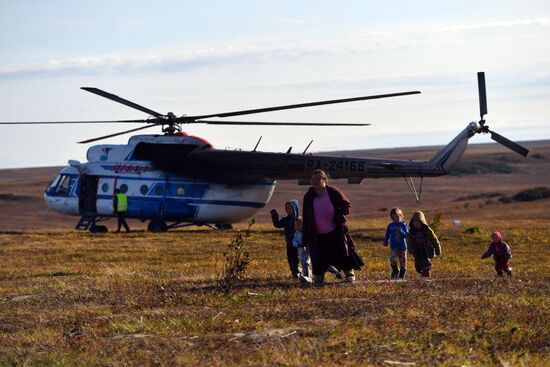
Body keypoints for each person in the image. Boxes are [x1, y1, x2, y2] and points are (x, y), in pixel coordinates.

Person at [302, 169, 363, 286]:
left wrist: (340, 216)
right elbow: (305, 216)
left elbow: (346, 205)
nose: (314, 181)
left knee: (343, 252)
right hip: (317, 233)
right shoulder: (309, 196)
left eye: (318, 179)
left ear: (324, 180)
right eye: (313, 179)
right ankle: (319, 278)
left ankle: (349, 274)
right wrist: (305, 235)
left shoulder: (333, 192)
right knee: (319, 256)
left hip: (335, 230)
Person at [271, 200, 300, 278]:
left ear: (295, 208)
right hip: (289, 243)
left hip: (298, 243)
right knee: (290, 258)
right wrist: (274, 216)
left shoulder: (299, 220)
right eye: (287, 208)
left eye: (291, 208)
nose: (289, 210)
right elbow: (277, 224)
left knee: (297, 258)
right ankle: (294, 272)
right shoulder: (285, 220)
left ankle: (297, 271)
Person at [408, 211, 440, 278]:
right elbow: (409, 241)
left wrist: (437, 249)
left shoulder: (427, 230)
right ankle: (423, 274)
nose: (416, 224)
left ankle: (426, 276)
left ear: (422, 222)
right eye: (414, 222)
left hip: (426, 249)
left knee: (426, 263)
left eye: (418, 222)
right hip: (417, 250)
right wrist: (411, 249)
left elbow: (434, 239)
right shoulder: (411, 231)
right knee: (418, 265)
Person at [383, 208, 409, 279]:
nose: (396, 219)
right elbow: (387, 234)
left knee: (403, 261)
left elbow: (407, 235)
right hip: (394, 246)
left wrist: (401, 231)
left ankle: (402, 274)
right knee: (392, 260)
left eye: (397, 217)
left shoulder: (403, 225)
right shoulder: (390, 225)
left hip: (402, 247)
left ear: (401, 216)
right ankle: (395, 270)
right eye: (393, 217)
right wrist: (386, 241)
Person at [292, 217, 312, 283]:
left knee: (306, 263)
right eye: (295, 225)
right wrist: (297, 244)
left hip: (307, 253)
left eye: (299, 225)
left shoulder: (306, 233)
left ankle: (308, 276)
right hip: (301, 253)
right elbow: (294, 241)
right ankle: (305, 274)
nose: (297, 227)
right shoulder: (296, 234)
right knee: (303, 263)